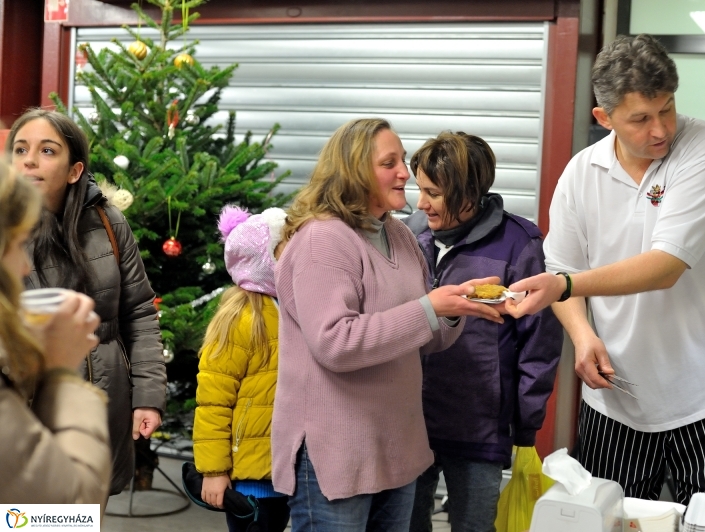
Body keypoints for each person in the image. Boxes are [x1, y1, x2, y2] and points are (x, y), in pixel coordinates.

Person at [504, 35, 705, 527]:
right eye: (640, 118)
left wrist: (569, 287)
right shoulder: (581, 173)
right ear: (604, 118)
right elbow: (561, 266)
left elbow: (665, 265)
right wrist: (581, 334)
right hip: (614, 401)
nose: (660, 129)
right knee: (602, 524)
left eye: (667, 109)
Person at [271, 117, 504, 532]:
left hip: (395, 451)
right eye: (389, 163)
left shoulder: (398, 235)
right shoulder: (323, 240)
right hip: (337, 455)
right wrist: (428, 307)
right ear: (354, 171)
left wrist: (451, 309)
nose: (404, 173)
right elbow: (335, 343)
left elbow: (418, 336)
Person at [404, 131, 563, 532]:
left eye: (434, 194)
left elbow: (539, 342)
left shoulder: (520, 243)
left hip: (478, 426)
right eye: (419, 190)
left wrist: (526, 423)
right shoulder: (408, 234)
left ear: (469, 193)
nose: (420, 203)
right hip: (407, 421)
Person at [6, 109, 167, 496]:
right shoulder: (4, 230)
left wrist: (148, 396)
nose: (29, 160)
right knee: (32, 514)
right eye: (20, 149)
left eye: (47, 150)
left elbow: (139, 312)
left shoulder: (107, 223)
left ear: (75, 170)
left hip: (102, 402)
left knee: (82, 510)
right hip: (24, 408)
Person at [0, 165, 110, 503]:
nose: (25, 267)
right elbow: (65, 517)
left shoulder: (108, 221)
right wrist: (60, 375)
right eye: (18, 245)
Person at [193, 205, 290, 532]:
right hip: (248, 477)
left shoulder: (290, 308)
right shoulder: (243, 317)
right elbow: (213, 401)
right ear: (266, 260)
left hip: (282, 468)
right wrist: (213, 471)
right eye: (286, 247)